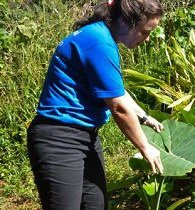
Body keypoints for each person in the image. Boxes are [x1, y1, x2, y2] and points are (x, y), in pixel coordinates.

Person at [26, 0, 164, 209]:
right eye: (145, 32)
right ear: (127, 21)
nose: (147, 39)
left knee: (94, 204)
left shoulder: (98, 35)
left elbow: (113, 90)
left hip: (85, 137)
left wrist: (143, 116)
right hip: (59, 139)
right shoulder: (99, 42)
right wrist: (145, 147)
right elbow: (118, 107)